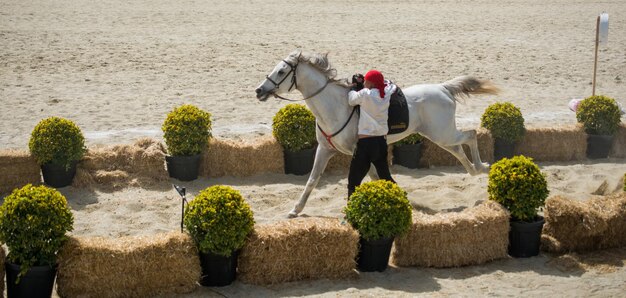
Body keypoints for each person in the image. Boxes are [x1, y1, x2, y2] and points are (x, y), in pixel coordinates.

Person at [347, 69, 397, 198]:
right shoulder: (386, 93)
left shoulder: (365, 94)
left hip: (365, 144)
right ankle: (399, 200)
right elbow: (391, 85)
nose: (364, 84)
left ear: (370, 83)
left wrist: (354, 87)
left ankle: (350, 212)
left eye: (366, 82)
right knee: (386, 178)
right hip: (381, 143)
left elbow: (351, 100)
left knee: (353, 181)